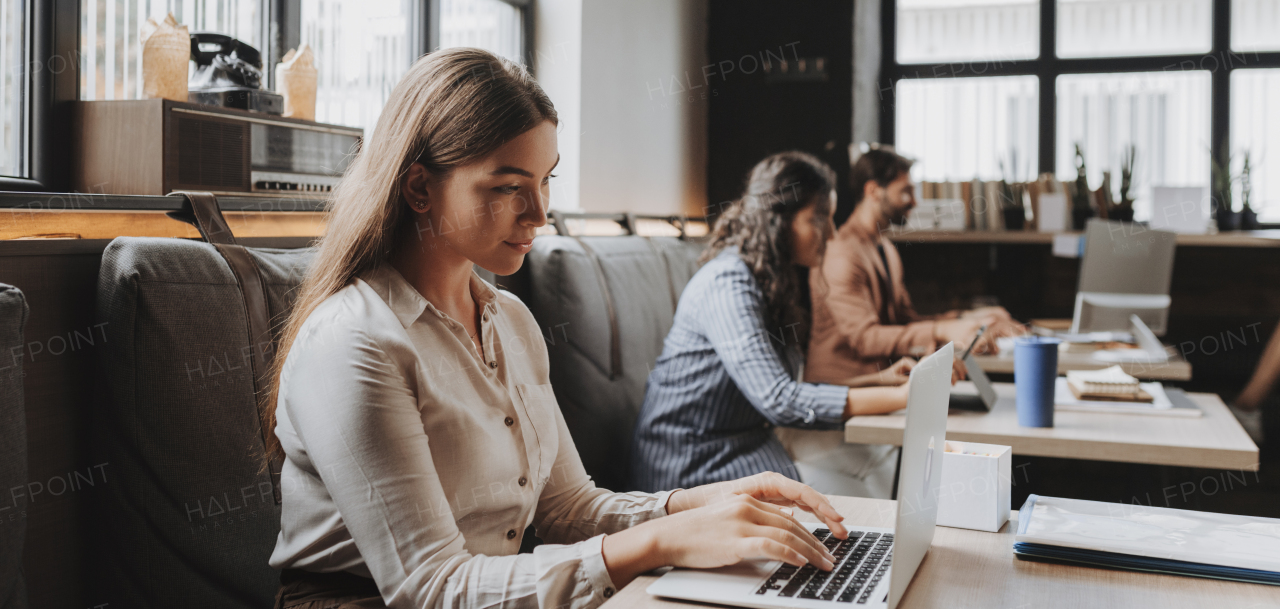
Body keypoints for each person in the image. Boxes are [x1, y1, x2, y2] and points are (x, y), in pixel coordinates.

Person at [264, 49, 853, 609]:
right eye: (508, 187)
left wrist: (695, 504)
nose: (541, 213)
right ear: (420, 187)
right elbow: (432, 588)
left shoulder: (510, 319)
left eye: (546, 181)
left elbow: (568, 507)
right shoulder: (354, 342)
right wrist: (666, 541)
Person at [630, 151, 918, 496]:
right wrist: (901, 397)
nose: (831, 233)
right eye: (819, 218)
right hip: (695, 463)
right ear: (778, 219)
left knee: (878, 459)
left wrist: (881, 381)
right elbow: (780, 400)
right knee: (857, 487)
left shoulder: (770, 278)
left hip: (746, 440)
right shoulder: (728, 283)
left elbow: (785, 387)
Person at [805, 146, 1022, 387]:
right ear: (873, 191)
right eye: (906, 192)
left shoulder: (884, 247)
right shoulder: (842, 253)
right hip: (841, 389)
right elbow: (865, 338)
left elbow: (904, 321)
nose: (914, 202)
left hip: (882, 384)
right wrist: (942, 330)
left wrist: (968, 319)